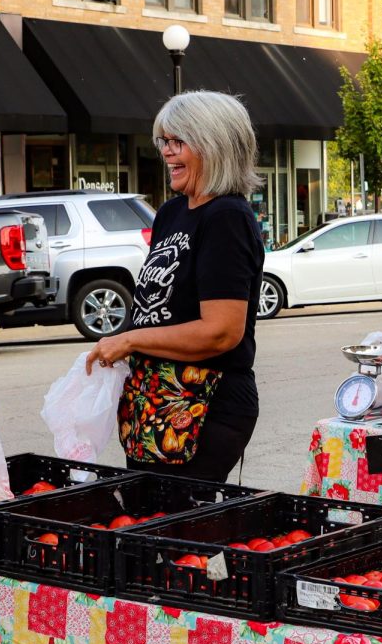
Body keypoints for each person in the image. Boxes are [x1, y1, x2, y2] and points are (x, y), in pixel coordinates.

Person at [86, 91, 264, 483]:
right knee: (148, 523)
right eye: (164, 142)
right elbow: (159, 306)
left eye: (177, 142)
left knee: (174, 530)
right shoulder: (171, 212)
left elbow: (221, 331)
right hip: (154, 398)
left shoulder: (227, 217)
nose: (166, 152)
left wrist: (131, 341)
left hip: (204, 400)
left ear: (213, 145)